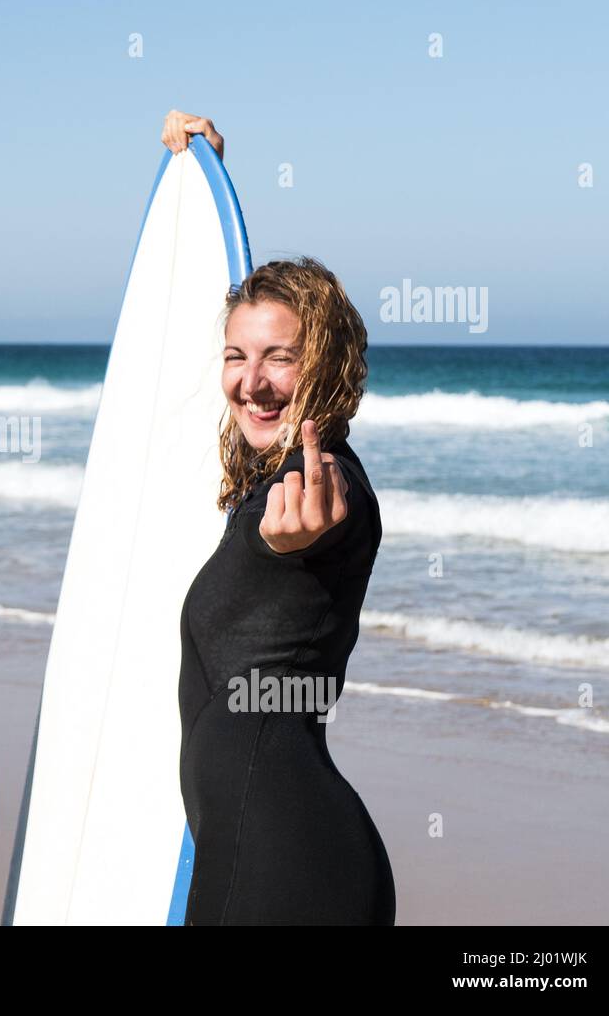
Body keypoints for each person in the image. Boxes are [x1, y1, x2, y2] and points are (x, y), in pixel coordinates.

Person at [166, 110, 396, 925]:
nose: (252, 380)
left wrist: (291, 535)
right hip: (264, 846)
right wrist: (203, 188)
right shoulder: (263, 480)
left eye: (281, 356)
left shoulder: (320, 479)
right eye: (237, 354)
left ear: (322, 365)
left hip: (285, 855)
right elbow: (236, 302)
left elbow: (324, 507)